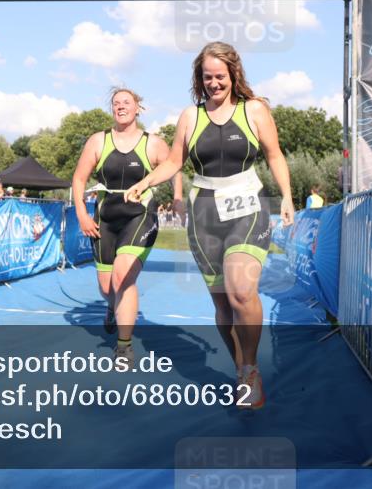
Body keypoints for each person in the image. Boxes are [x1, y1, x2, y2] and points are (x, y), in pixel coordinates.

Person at [126, 42, 294, 409]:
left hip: (248, 206)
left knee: (241, 292)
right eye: (207, 77)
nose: (214, 83)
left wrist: (286, 195)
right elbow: (173, 162)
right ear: (199, 80)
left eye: (220, 76)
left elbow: (274, 154)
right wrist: (144, 182)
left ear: (234, 75)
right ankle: (239, 369)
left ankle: (251, 369)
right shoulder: (190, 116)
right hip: (204, 215)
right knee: (222, 308)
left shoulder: (254, 110)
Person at [73, 88, 182, 362]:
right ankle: (113, 307)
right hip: (105, 217)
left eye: (126, 102)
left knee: (123, 276)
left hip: (139, 215)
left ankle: (124, 346)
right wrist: (82, 215)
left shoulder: (154, 143)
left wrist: (178, 199)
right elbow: (78, 179)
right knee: (108, 286)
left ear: (137, 108)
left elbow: (173, 169)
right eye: (116, 103)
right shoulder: (98, 141)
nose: (121, 107)